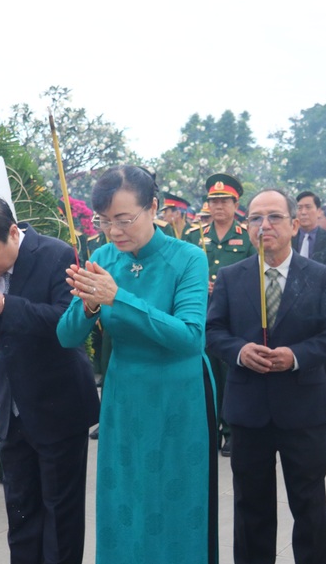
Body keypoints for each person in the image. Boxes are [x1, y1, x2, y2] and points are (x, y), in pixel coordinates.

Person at [57, 165, 215, 563]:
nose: (114, 231)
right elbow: (67, 336)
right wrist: (89, 305)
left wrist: (118, 298)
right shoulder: (103, 258)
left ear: (153, 208)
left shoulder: (188, 258)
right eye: (105, 221)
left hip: (177, 395)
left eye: (124, 219)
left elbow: (190, 338)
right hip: (125, 395)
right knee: (124, 498)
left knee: (175, 498)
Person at [0, 194, 99, 564]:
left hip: (58, 403)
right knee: (20, 509)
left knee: (60, 513)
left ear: (12, 233)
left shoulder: (57, 255)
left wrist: (7, 306)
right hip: (10, 405)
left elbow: (68, 323)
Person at [207, 188, 326, 564]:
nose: (264, 225)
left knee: (309, 504)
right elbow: (213, 331)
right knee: (250, 506)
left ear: (294, 224)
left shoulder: (321, 276)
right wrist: (240, 352)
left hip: (303, 408)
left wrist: (296, 356)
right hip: (248, 408)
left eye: (274, 217)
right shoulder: (231, 276)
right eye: (255, 218)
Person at [185, 172, 256, 457]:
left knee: (230, 375)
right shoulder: (194, 236)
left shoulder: (246, 237)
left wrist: (228, 286)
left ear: (236, 204)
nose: (218, 206)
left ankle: (231, 431)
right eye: (213, 201)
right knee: (204, 374)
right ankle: (209, 431)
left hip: (233, 317)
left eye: (224, 201)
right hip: (200, 315)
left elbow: (254, 274)